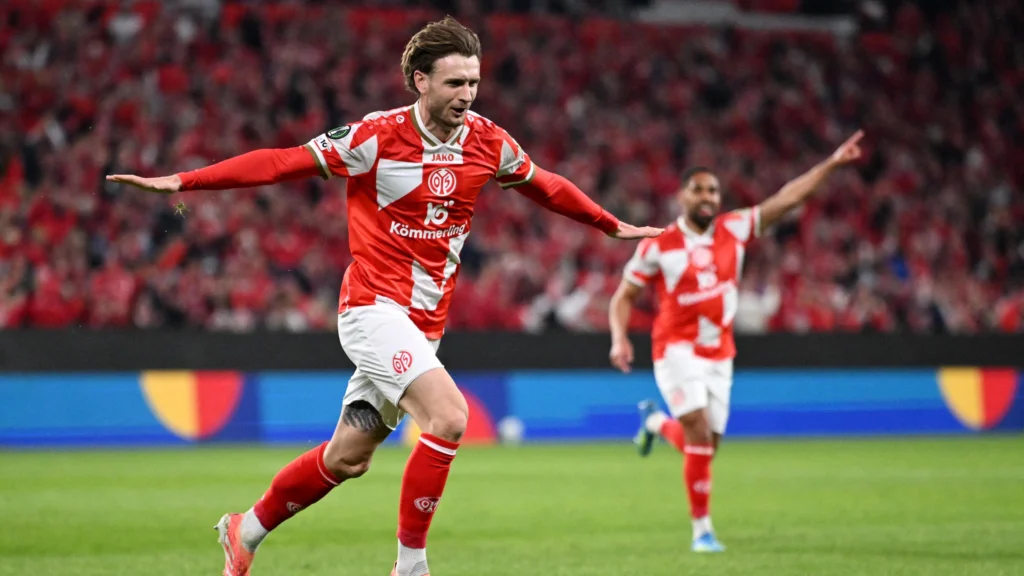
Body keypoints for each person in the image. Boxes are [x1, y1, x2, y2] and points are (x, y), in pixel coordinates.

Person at [107, 15, 661, 576]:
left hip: (425, 325)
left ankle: (243, 530)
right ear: (421, 81)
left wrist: (609, 224)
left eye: (473, 82)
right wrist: (185, 181)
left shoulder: (488, 142)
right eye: (454, 83)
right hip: (372, 309)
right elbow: (280, 162)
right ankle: (411, 567)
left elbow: (546, 185)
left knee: (348, 458)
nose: (467, 95)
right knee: (448, 417)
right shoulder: (375, 137)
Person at [607, 131, 865, 553]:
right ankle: (702, 531)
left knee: (706, 445)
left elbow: (788, 198)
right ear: (681, 196)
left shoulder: (735, 228)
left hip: (719, 354)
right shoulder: (659, 243)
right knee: (697, 430)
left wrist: (832, 163)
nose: (707, 196)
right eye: (698, 189)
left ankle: (654, 423)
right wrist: (619, 338)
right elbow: (624, 296)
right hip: (675, 349)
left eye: (713, 190)